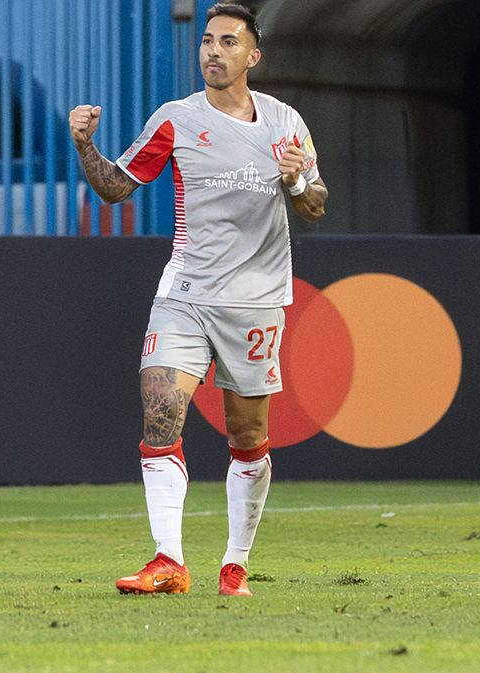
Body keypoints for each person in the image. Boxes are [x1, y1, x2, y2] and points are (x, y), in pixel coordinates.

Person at [69, 3, 328, 596]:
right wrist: (85, 144)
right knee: (160, 410)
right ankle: (169, 561)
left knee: (247, 435)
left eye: (228, 43)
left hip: (257, 300)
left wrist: (295, 180)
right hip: (185, 291)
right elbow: (115, 189)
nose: (213, 51)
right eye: (207, 41)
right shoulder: (175, 120)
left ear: (252, 56)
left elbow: (315, 202)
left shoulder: (286, 123)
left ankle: (235, 564)